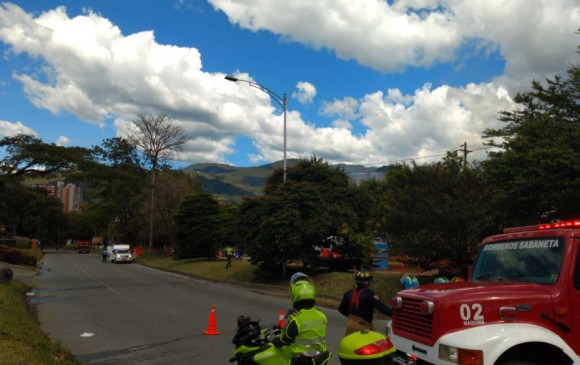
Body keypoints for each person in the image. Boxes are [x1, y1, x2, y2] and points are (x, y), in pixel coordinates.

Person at [271, 272, 331, 365]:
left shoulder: (296, 320)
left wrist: (276, 341)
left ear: (294, 295)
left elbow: (284, 339)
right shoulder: (322, 315)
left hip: (302, 360)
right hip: (320, 358)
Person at [338, 269, 392, 336]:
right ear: (368, 283)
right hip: (364, 327)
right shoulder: (370, 295)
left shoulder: (348, 293)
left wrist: (351, 316)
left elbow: (341, 309)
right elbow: (382, 308)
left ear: (356, 282)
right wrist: (394, 314)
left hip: (350, 324)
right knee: (372, 343)